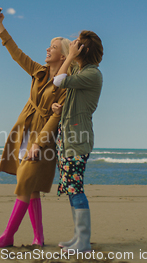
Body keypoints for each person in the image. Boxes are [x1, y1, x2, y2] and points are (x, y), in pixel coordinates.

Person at [0, 9, 76, 248]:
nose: (48, 49)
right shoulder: (38, 72)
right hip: (24, 133)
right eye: (49, 46)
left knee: (25, 182)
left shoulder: (67, 85)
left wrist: (38, 143)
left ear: (63, 56)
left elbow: (54, 120)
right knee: (32, 187)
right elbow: (16, 54)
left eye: (53, 47)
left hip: (42, 138)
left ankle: (8, 235)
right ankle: (39, 238)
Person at [51, 30, 104, 253]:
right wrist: (61, 109)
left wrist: (70, 55)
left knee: (76, 188)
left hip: (77, 139)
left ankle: (83, 241)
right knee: (71, 189)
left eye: (77, 44)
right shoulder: (81, 70)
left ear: (83, 50)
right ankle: (78, 237)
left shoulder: (93, 73)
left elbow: (58, 80)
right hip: (68, 139)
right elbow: (67, 86)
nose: (73, 46)